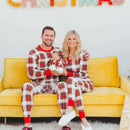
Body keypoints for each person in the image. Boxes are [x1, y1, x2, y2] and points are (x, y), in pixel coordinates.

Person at [21, 26, 68, 130]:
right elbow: (31, 74)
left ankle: (65, 125)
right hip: (38, 84)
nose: (49, 38)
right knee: (26, 86)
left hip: (53, 84)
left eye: (51, 36)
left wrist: (86, 54)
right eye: (47, 35)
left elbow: (69, 59)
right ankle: (27, 126)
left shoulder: (58, 51)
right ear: (42, 36)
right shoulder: (34, 52)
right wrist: (49, 71)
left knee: (63, 85)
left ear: (54, 37)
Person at [58, 30, 94, 130]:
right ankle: (84, 122)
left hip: (86, 82)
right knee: (75, 89)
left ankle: (69, 110)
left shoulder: (82, 54)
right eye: (69, 39)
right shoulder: (63, 55)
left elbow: (82, 73)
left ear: (77, 41)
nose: (72, 41)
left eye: (74, 39)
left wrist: (66, 74)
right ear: (66, 41)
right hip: (74, 85)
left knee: (70, 79)